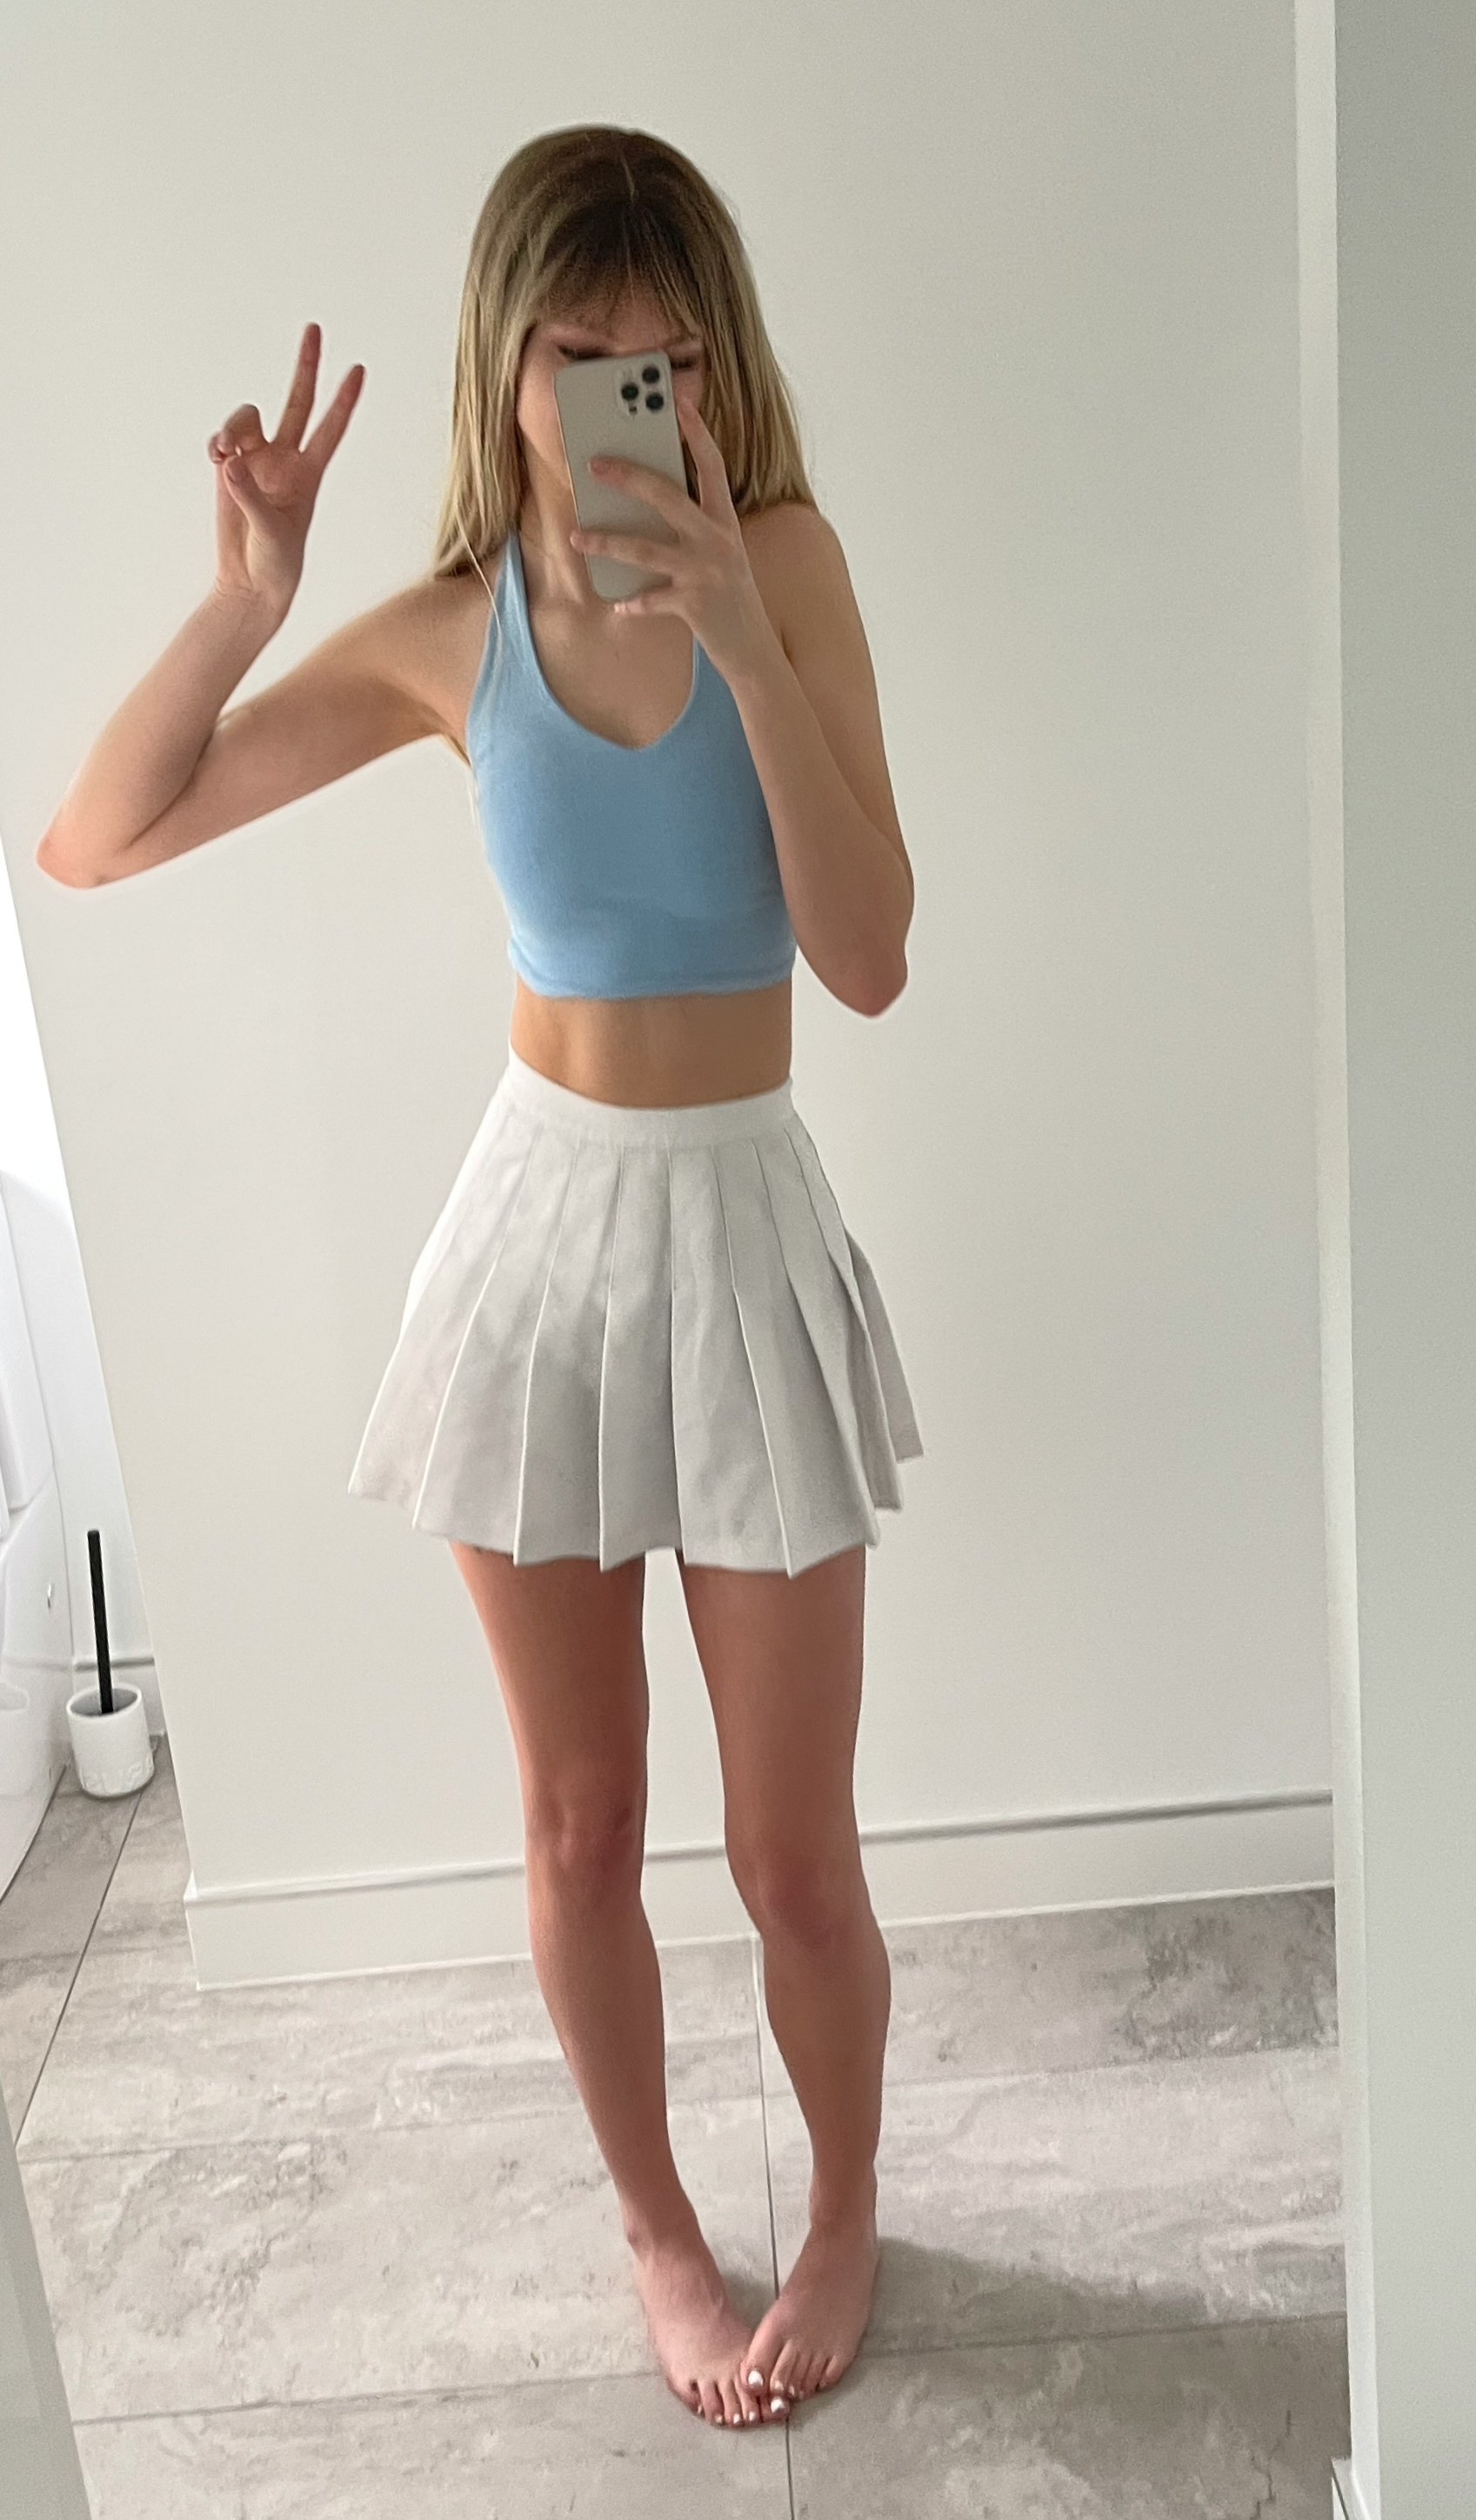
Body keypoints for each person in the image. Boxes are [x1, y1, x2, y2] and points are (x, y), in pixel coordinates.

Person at [36, 121, 924, 2436]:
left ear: (720, 366)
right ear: (504, 366)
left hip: (744, 1228)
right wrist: (245, 600)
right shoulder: (453, 629)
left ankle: (841, 2209)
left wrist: (738, 630)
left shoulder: (789, 564)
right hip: (538, 1245)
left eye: (671, 356)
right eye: (581, 352)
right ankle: (657, 2227)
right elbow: (94, 839)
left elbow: (868, 957)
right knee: (577, 1823)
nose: (633, 390)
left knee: (792, 1852)